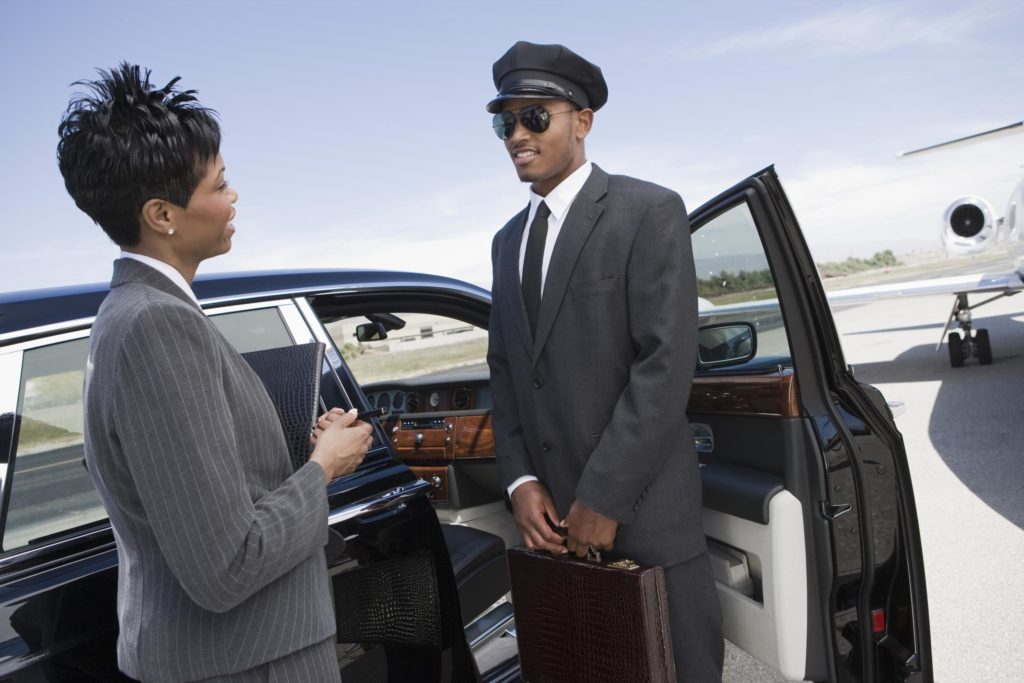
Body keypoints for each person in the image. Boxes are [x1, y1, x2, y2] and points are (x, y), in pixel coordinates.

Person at [59, 63, 371, 683]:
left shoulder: (131, 314)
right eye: (219, 185)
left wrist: (303, 447)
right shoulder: (156, 327)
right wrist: (324, 467)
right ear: (162, 214)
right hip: (246, 663)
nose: (233, 198)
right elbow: (228, 564)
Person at [485, 41, 724, 681]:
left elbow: (665, 365)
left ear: (582, 121)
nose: (516, 134)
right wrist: (518, 482)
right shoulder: (506, 243)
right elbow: (506, 371)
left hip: (642, 520)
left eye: (535, 116)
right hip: (552, 528)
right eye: (503, 120)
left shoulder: (646, 211)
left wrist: (603, 496)